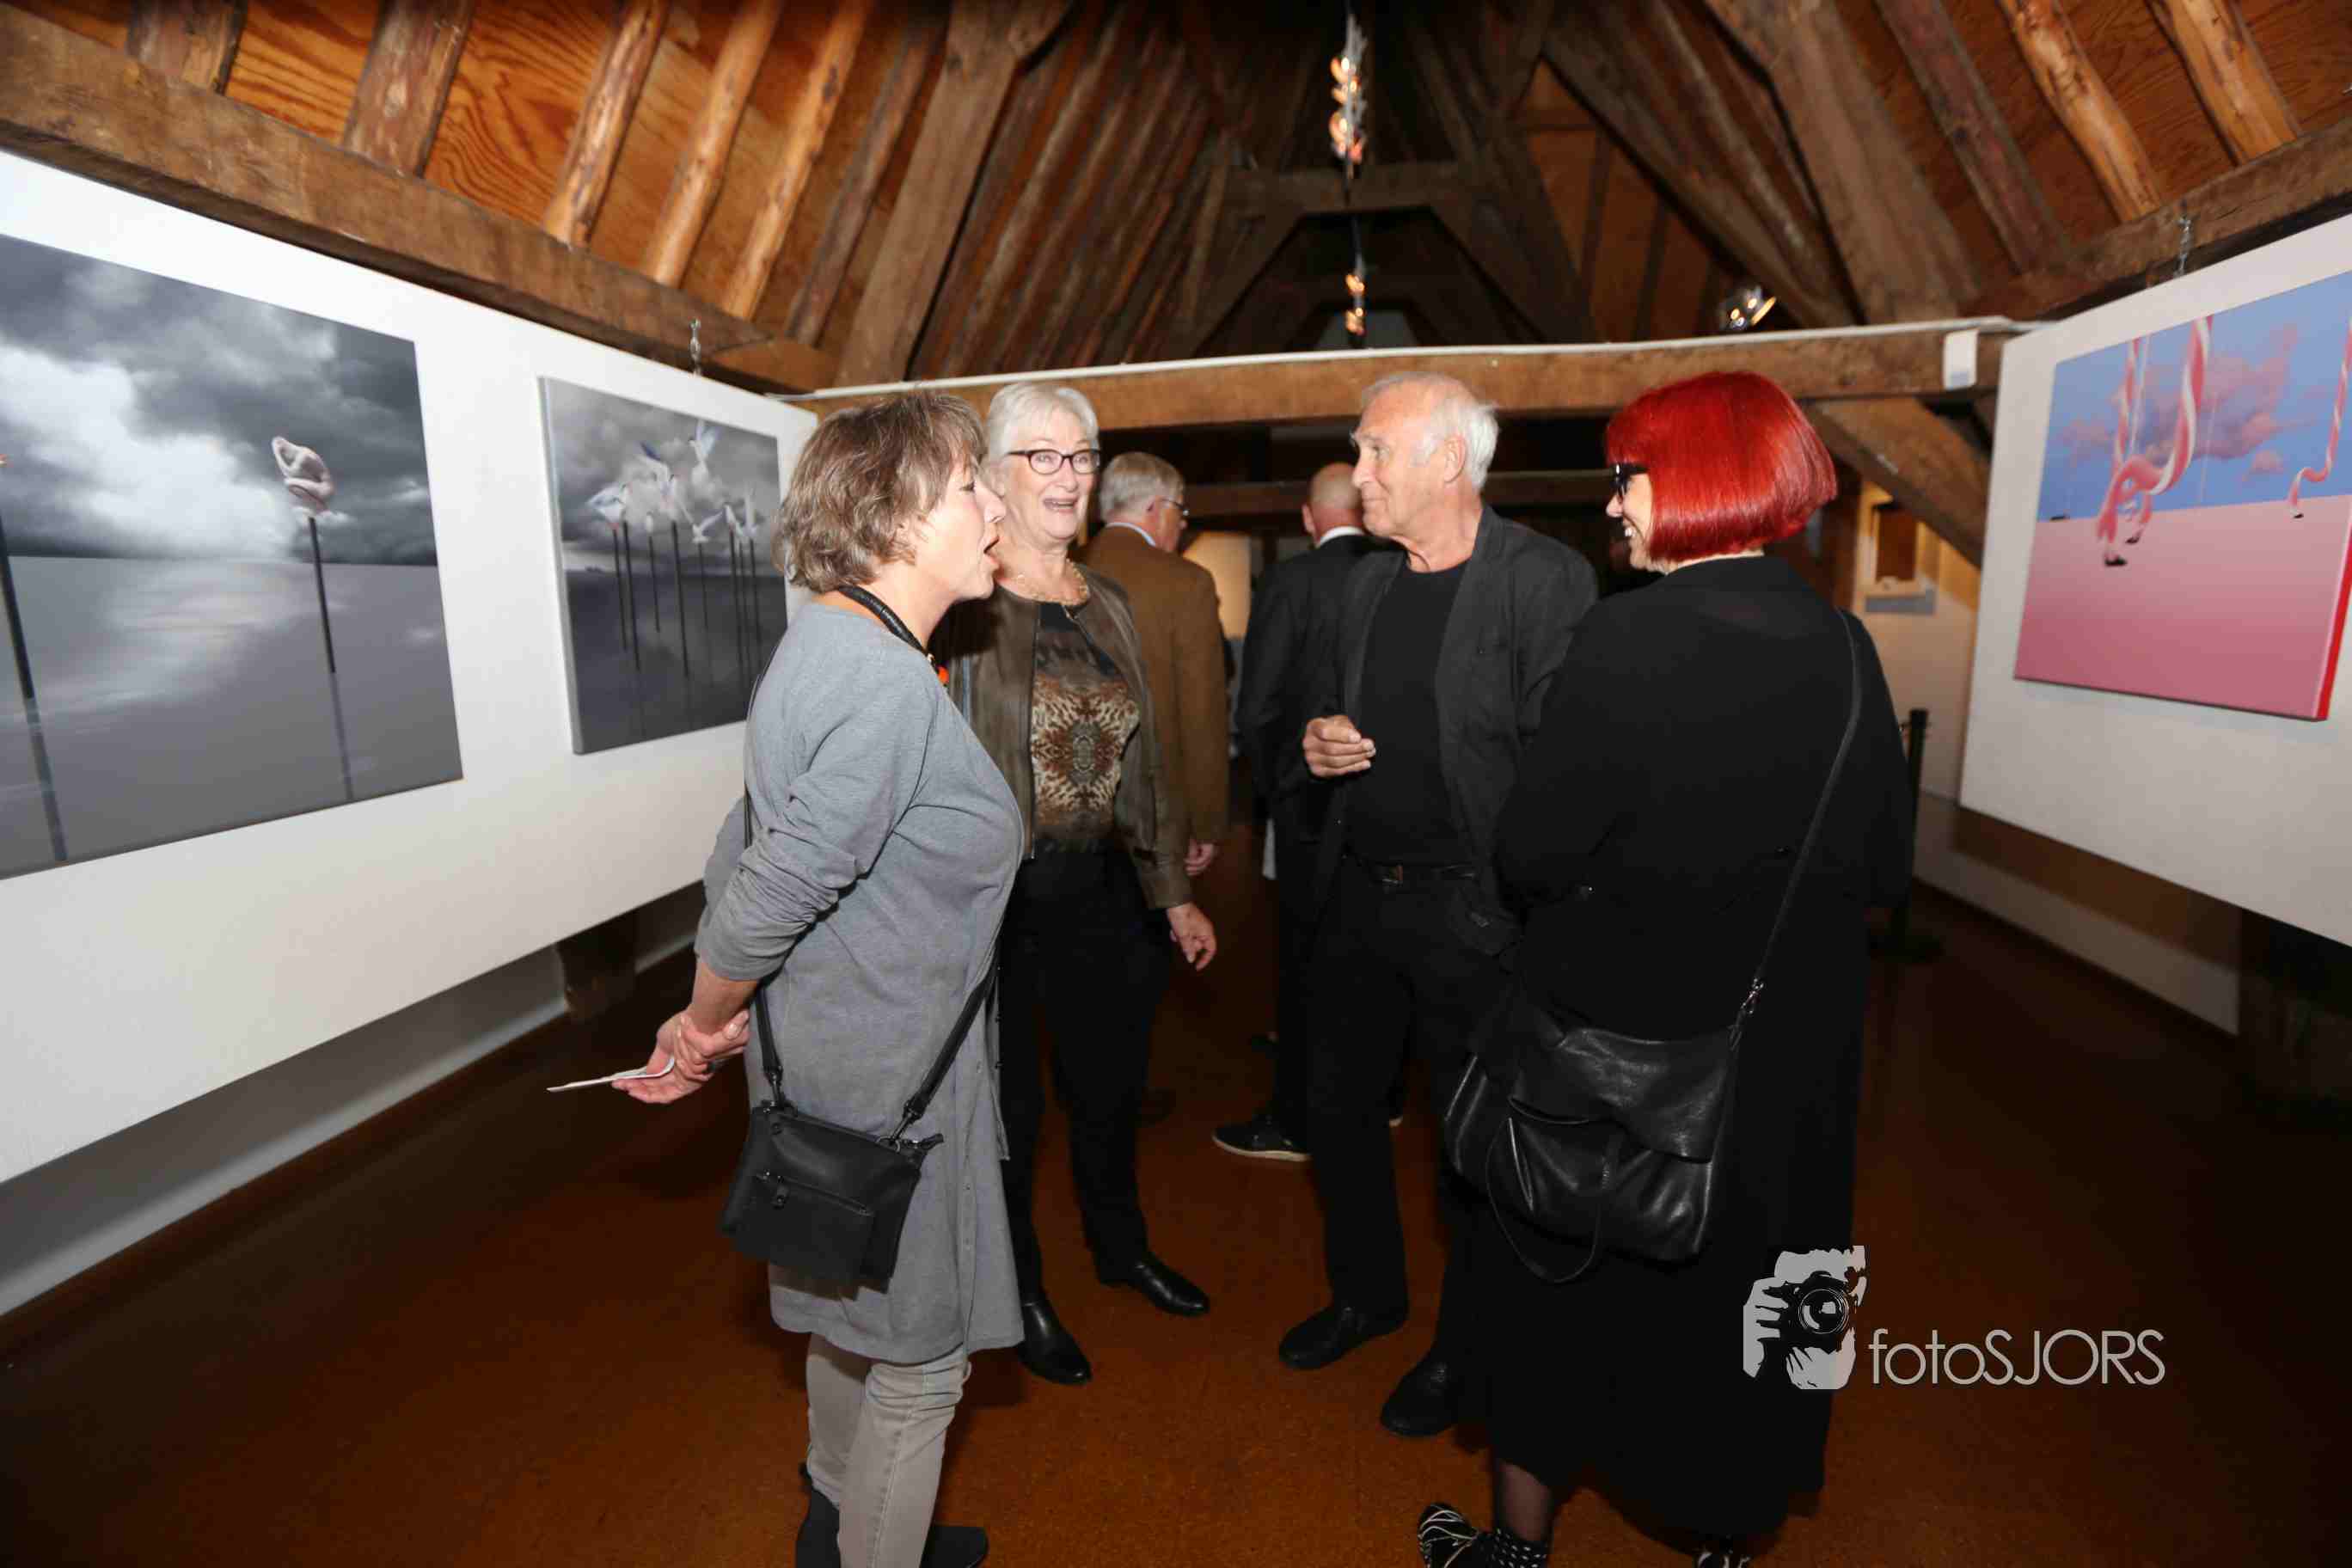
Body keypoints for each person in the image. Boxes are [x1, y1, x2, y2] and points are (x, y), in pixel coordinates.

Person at [1416, 372, 1912, 1568]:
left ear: (1695, 480)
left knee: (1550, 1303)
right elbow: (1881, 869)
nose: (1614, 504)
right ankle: (1724, 1541)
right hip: (1774, 1073)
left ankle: (1514, 1553)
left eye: (1628, 477)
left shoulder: (1627, 635)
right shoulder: (1847, 648)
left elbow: (1534, 854)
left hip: (1612, 1057)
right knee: (1740, 1319)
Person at [619, 391, 1020, 1568]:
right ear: (898, 517)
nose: (994, 509)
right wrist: (701, 1027)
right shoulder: (881, 680)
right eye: (970, 487)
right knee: (922, 1365)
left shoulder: (825, 644)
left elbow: (737, 846)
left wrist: (717, 1011)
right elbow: (773, 883)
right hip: (893, 1084)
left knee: (850, 1323)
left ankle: (838, 1526)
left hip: (833, 1066)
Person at [1288, 373, 1597, 1440]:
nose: (1359, 475)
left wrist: (1522, 917)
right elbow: (1322, 714)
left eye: (1376, 451)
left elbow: (1565, 769)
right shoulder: (1362, 584)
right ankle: (1367, 1296)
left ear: (1449, 461)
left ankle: (1463, 1348)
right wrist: (1318, 742)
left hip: (1476, 918)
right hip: (1357, 899)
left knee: (1472, 1151)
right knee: (1336, 1112)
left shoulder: (1542, 580)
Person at [937, 381, 1218, 1389]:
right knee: (1012, 1113)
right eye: (1043, 457)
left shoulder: (1111, 601)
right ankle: (1019, 1289)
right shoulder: (961, 605)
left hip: (1104, 890)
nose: (1067, 478)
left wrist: (1171, 890)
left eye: (1082, 458)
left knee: (1110, 1086)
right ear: (994, 476)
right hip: (1000, 903)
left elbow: (1144, 763)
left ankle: (1120, 1245)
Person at [1216, 462, 1381, 1161]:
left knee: (1305, 962)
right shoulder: (1397, 572)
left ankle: (1296, 1121)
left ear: (1310, 519)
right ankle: (1382, 1098)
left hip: (1308, 803)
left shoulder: (1290, 582)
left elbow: (1257, 710)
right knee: (1374, 960)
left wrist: (1276, 790)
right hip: (1382, 808)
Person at [1078, 452, 1230, 879]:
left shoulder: (1061, 569)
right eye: (1179, 510)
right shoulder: (1187, 582)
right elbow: (1201, 714)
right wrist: (1207, 821)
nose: (1181, 524)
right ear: (1155, 507)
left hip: (1065, 811)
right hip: (1156, 813)